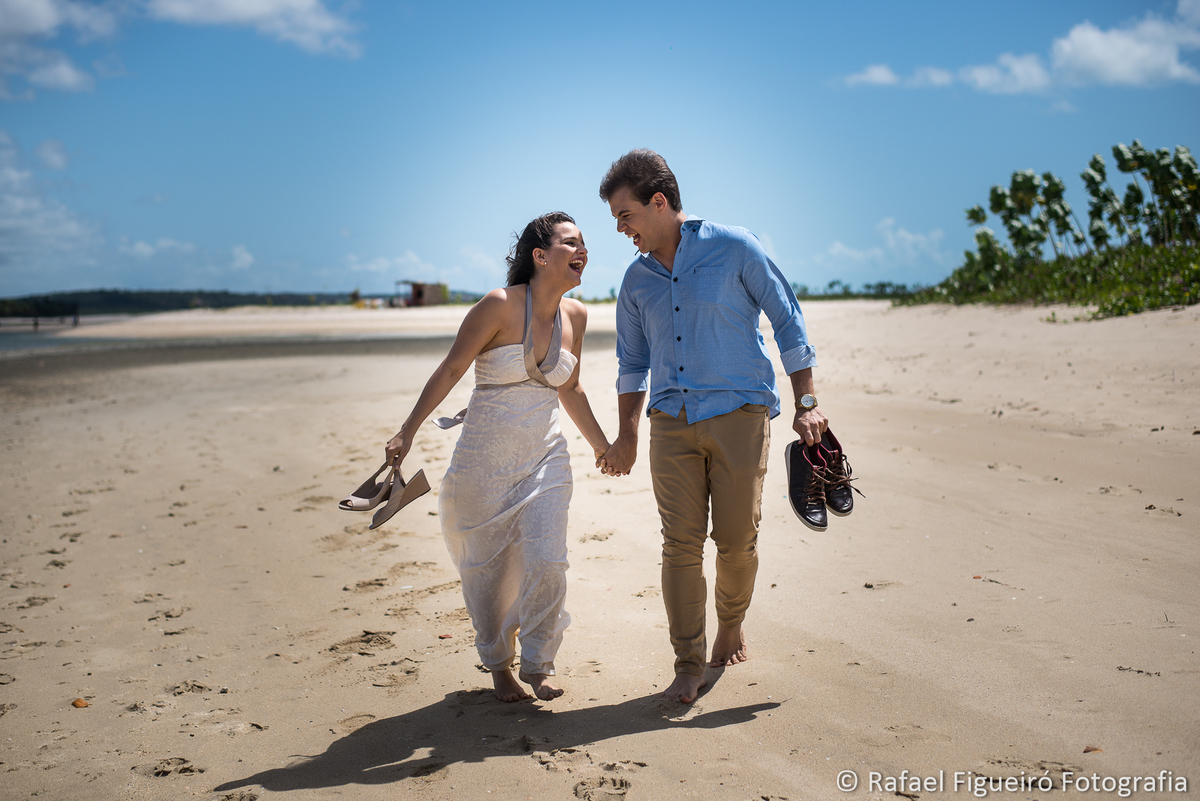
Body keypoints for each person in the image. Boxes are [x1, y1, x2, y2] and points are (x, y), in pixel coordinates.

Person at [597, 149, 828, 704]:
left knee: (736, 542)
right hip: (670, 423)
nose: (622, 230)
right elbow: (632, 364)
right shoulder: (635, 281)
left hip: (738, 417)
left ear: (659, 203)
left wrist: (808, 402)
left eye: (625, 216)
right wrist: (627, 432)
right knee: (678, 545)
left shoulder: (736, 247)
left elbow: (788, 319)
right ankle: (687, 661)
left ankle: (731, 621)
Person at [384, 212, 610, 702]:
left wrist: (602, 447)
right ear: (541, 255)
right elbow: (450, 371)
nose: (582, 251)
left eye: (584, 244)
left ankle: (538, 661)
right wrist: (407, 432)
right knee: (491, 572)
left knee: (549, 560)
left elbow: (570, 389)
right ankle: (499, 666)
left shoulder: (578, 316)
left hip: (546, 459)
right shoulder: (498, 306)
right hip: (483, 466)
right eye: (571, 243)